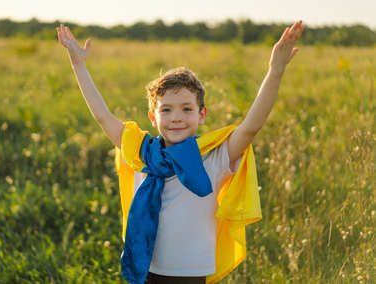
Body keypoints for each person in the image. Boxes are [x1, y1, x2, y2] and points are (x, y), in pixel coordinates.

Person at [57, 20, 304, 284]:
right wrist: (78, 65)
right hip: (146, 265)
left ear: (202, 114)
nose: (176, 118)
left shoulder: (213, 157)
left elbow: (250, 128)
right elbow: (102, 116)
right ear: (153, 117)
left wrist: (275, 70)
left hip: (190, 273)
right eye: (166, 110)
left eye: (187, 109)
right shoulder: (141, 151)